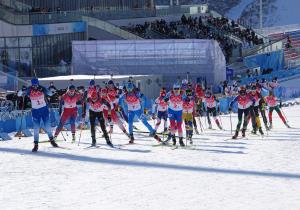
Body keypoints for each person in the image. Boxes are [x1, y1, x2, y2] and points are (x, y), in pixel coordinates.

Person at [18, 78, 58, 152]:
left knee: (48, 127)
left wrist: (46, 90)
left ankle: (52, 140)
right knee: (36, 129)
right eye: (34, 85)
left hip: (44, 110)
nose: (35, 87)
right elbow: (19, 94)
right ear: (32, 85)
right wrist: (22, 90)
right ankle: (36, 145)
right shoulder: (29, 89)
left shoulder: (42, 88)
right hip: (35, 111)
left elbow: (50, 94)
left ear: (38, 84)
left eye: (36, 85)